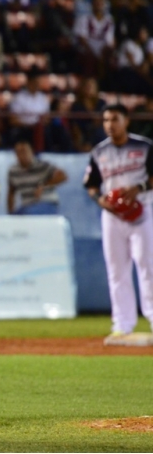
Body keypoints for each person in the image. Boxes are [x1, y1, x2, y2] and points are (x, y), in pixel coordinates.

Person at [84, 104, 153, 345]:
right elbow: (91, 185)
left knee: (148, 265)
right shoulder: (99, 151)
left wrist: (140, 188)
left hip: (143, 211)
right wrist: (99, 199)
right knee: (116, 269)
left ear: (126, 121)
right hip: (113, 216)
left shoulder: (144, 146)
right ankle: (122, 325)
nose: (109, 125)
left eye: (114, 119)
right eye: (105, 120)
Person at [7, 140, 68, 215]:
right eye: (19, 152)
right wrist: (10, 213)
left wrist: (44, 185)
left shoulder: (43, 165)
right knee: (15, 218)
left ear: (31, 152)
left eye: (25, 151)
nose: (23, 155)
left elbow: (63, 176)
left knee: (28, 214)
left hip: (46, 203)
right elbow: (11, 193)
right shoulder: (13, 171)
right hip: (26, 205)